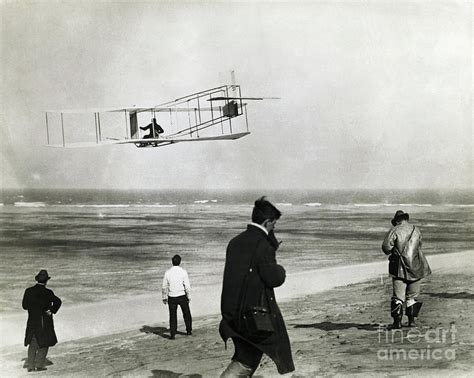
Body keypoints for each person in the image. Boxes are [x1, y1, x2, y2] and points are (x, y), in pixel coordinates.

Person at [219, 197, 294, 377]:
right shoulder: (262, 245)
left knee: (245, 356)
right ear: (267, 222)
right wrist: (280, 269)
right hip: (254, 317)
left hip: (232, 313)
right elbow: (273, 278)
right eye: (274, 225)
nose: (274, 228)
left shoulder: (235, 242)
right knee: (247, 361)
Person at [382, 210, 431, 329]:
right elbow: (419, 246)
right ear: (406, 218)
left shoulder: (395, 230)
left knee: (398, 296)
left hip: (400, 268)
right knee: (412, 296)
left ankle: (397, 323)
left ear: (397, 220)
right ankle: (412, 322)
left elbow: (386, 247)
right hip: (416, 266)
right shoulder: (416, 229)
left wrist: (393, 252)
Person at [22, 270, 62, 372]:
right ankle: (39, 365)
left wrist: (33, 309)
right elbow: (58, 301)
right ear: (46, 281)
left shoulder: (28, 291)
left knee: (33, 342)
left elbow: (24, 306)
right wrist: (51, 310)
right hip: (44, 320)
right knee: (44, 343)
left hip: (32, 320)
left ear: (37, 279)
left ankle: (30, 366)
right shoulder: (48, 292)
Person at [162, 255, 192, 339]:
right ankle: (189, 331)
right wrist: (189, 296)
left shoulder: (167, 272)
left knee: (172, 316)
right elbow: (187, 286)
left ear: (172, 261)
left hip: (172, 296)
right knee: (186, 314)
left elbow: (164, 286)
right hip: (182, 295)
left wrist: (164, 297)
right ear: (180, 261)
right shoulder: (183, 271)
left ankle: (172, 334)